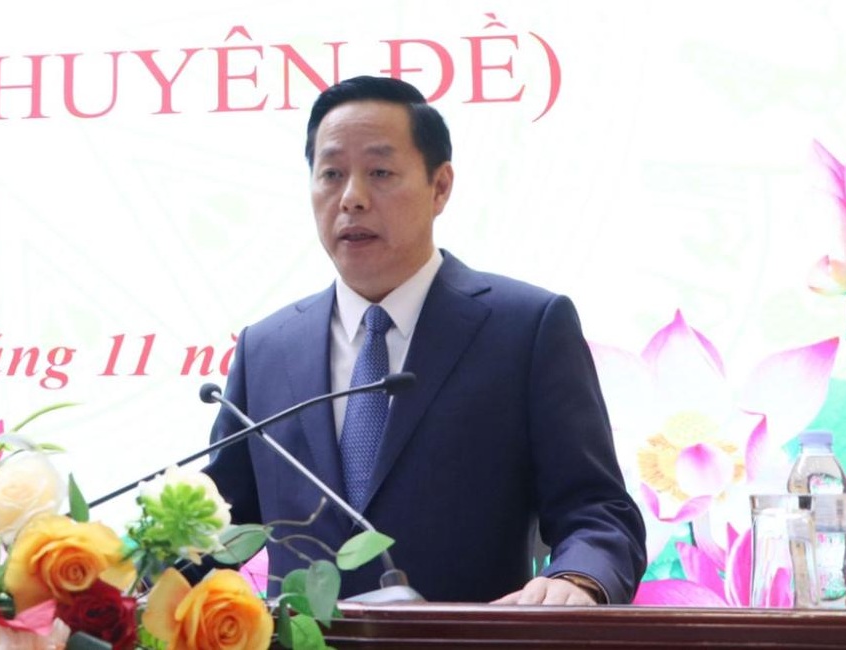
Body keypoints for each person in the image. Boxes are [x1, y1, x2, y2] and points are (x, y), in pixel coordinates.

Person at [203, 75, 646, 605]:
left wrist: (576, 580)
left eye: (380, 173)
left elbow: (597, 510)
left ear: (440, 187)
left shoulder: (525, 328)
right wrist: (123, 576)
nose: (352, 199)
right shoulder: (267, 348)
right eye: (332, 174)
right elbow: (216, 527)